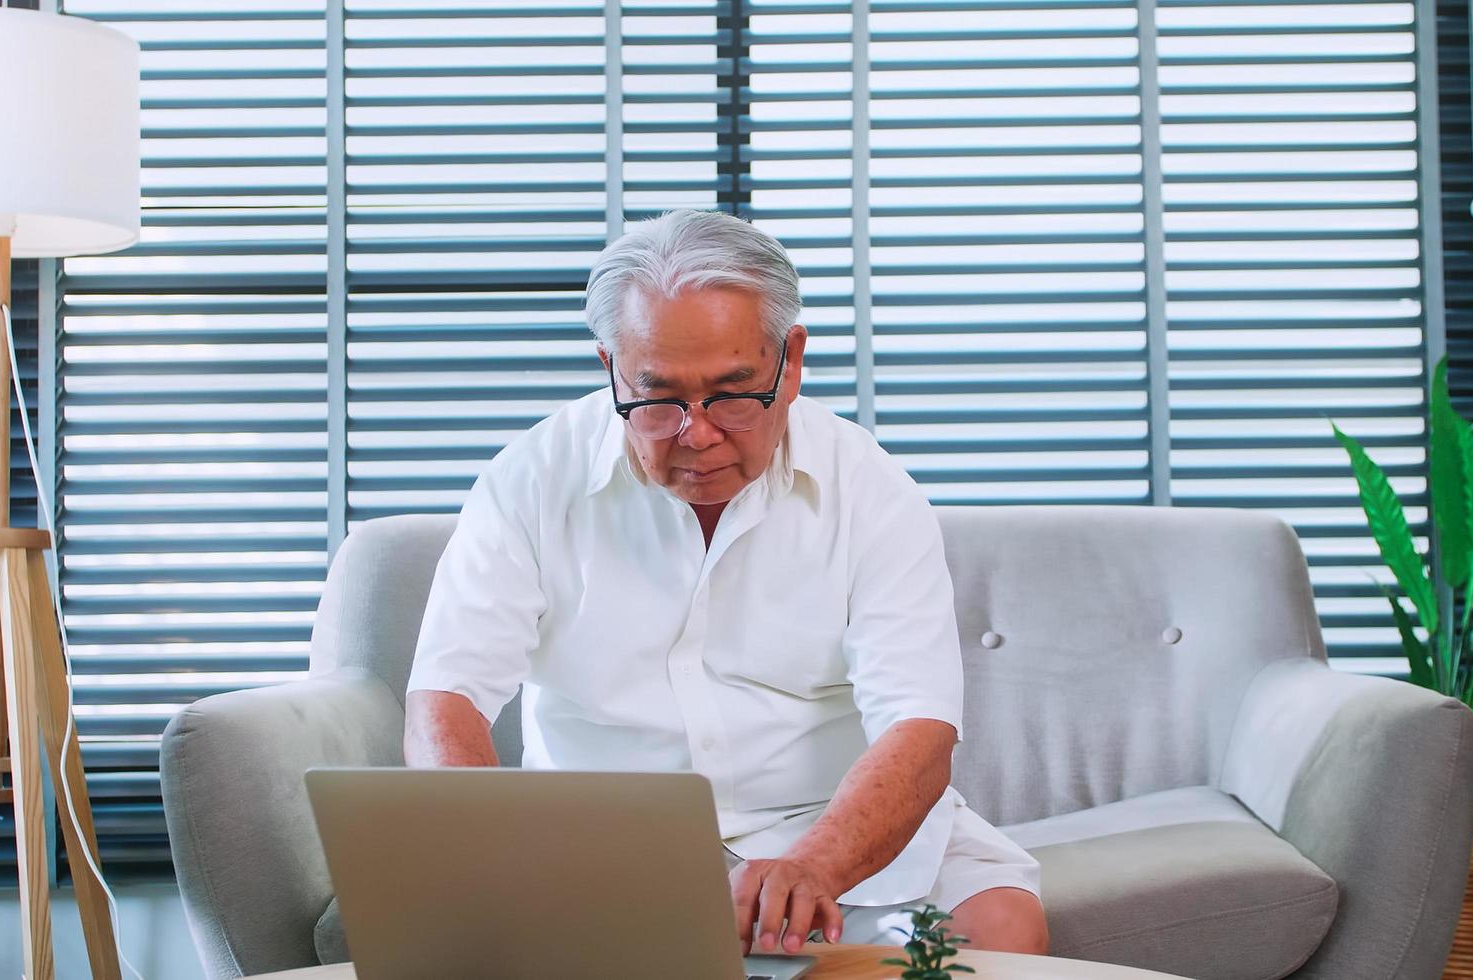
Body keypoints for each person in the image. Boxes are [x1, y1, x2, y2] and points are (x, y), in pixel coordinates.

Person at [403, 208, 1048, 955]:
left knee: (1001, 924)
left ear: (792, 360)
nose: (698, 433)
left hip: (828, 824)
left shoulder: (870, 487)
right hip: (609, 838)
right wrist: (486, 861)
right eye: (660, 398)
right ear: (611, 368)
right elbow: (445, 697)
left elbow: (919, 729)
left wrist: (811, 868)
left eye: (734, 394)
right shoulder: (531, 479)